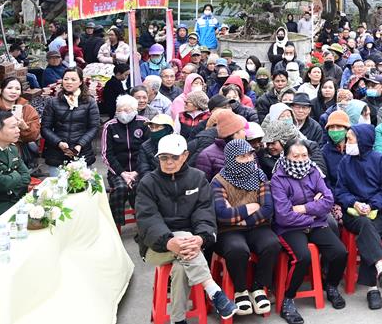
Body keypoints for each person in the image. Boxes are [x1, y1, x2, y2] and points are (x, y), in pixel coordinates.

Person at [135, 133, 236, 321]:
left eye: (174, 157)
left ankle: (178, 319)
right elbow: (148, 220)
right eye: (164, 157)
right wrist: (168, 241)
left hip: (190, 246)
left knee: (181, 268)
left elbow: (205, 212)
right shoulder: (148, 183)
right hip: (155, 246)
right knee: (182, 236)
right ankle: (213, 291)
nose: (169, 162)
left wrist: (201, 238)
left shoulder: (197, 178)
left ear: (185, 155)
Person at [271, 138, 348, 322]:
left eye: (304, 155)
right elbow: (283, 215)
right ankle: (288, 299)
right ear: (286, 156)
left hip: (315, 224)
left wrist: (305, 208)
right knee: (302, 257)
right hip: (289, 228)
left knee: (340, 252)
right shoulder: (278, 178)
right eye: (295, 156)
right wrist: (314, 208)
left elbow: (328, 200)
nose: (300, 160)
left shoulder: (313, 171)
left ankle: (330, 285)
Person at [211, 139, 280, 317]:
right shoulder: (219, 181)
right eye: (242, 157)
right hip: (228, 231)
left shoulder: (260, 176)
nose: (249, 159)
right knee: (237, 249)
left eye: (250, 155)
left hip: (257, 226)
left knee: (271, 244)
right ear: (231, 159)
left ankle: (258, 288)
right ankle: (240, 291)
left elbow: (267, 209)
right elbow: (221, 214)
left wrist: (240, 218)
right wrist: (250, 207)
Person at [334, 124, 382, 309]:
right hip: (353, 213)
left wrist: (372, 205)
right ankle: (377, 275)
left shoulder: (379, 160)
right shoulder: (345, 162)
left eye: (351, 138)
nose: (347, 142)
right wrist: (354, 203)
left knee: (370, 229)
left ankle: (373, 285)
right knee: (365, 225)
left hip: (376, 210)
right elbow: (340, 191)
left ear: (363, 140)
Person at [40, 67, 100, 176]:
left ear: (81, 82)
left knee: (82, 187)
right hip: (57, 152)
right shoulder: (53, 102)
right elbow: (45, 128)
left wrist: (80, 144)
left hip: (82, 151)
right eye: (66, 79)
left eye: (73, 79)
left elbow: (94, 127)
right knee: (57, 188)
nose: (69, 82)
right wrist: (59, 143)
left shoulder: (90, 102)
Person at [101, 95, 148, 228]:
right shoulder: (109, 126)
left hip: (140, 169)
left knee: (140, 187)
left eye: (127, 111)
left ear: (135, 110)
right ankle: (116, 224)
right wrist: (122, 173)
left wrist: (136, 172)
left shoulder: (144, 123)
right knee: (120, 188)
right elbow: (106, 154)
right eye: (119, 110)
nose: (123, 114)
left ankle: (143, 221)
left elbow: (147, 151)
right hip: (117, 170)